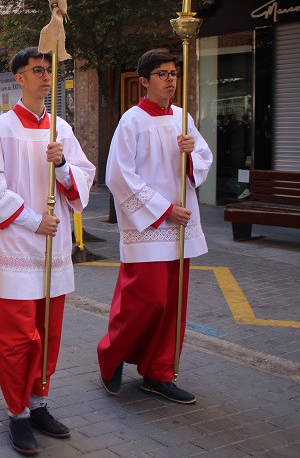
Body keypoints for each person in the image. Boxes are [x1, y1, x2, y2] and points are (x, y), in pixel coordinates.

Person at [0, 47, 95, 454]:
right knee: (17, 337)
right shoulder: (1, 130)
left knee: (48, 333)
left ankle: (39, 402)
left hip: (53, 247)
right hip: (15, 246)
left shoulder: (61, 128)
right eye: (36, 71)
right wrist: (30, 219)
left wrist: (61, 166)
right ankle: (17, 412)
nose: (45, 77)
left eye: (49, 70)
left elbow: (83, 181)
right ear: (18, 79)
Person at [97, 48, 213, 405]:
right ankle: (111, 355)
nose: (171, 80)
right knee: (146, 300)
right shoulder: (131, 121)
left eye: (174, 73)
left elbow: (203, 163)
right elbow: (118, 175)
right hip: (149, 228)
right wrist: (163, 210)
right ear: (144, 81)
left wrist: (191, 153)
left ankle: (159, 373)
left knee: (173, 305)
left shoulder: (183, 119)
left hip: (181, 227)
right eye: (162, 74)